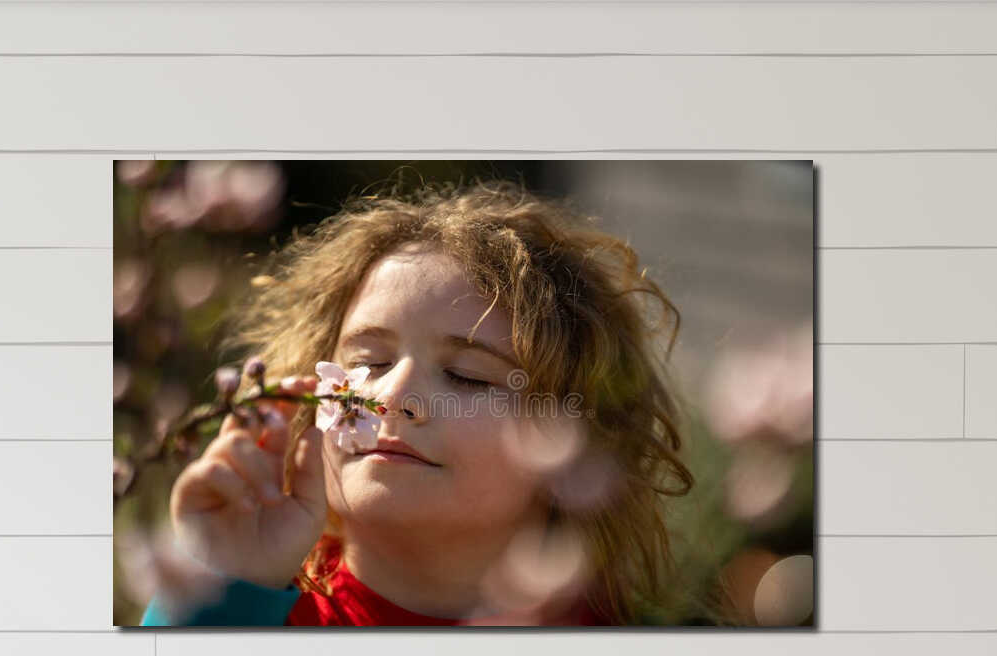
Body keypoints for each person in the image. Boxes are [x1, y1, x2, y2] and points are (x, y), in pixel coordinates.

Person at [137, 180, 692, 627]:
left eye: (466, 376)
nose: (392, 397)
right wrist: (224, 587)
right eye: (369, 363)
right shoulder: (248, 604)